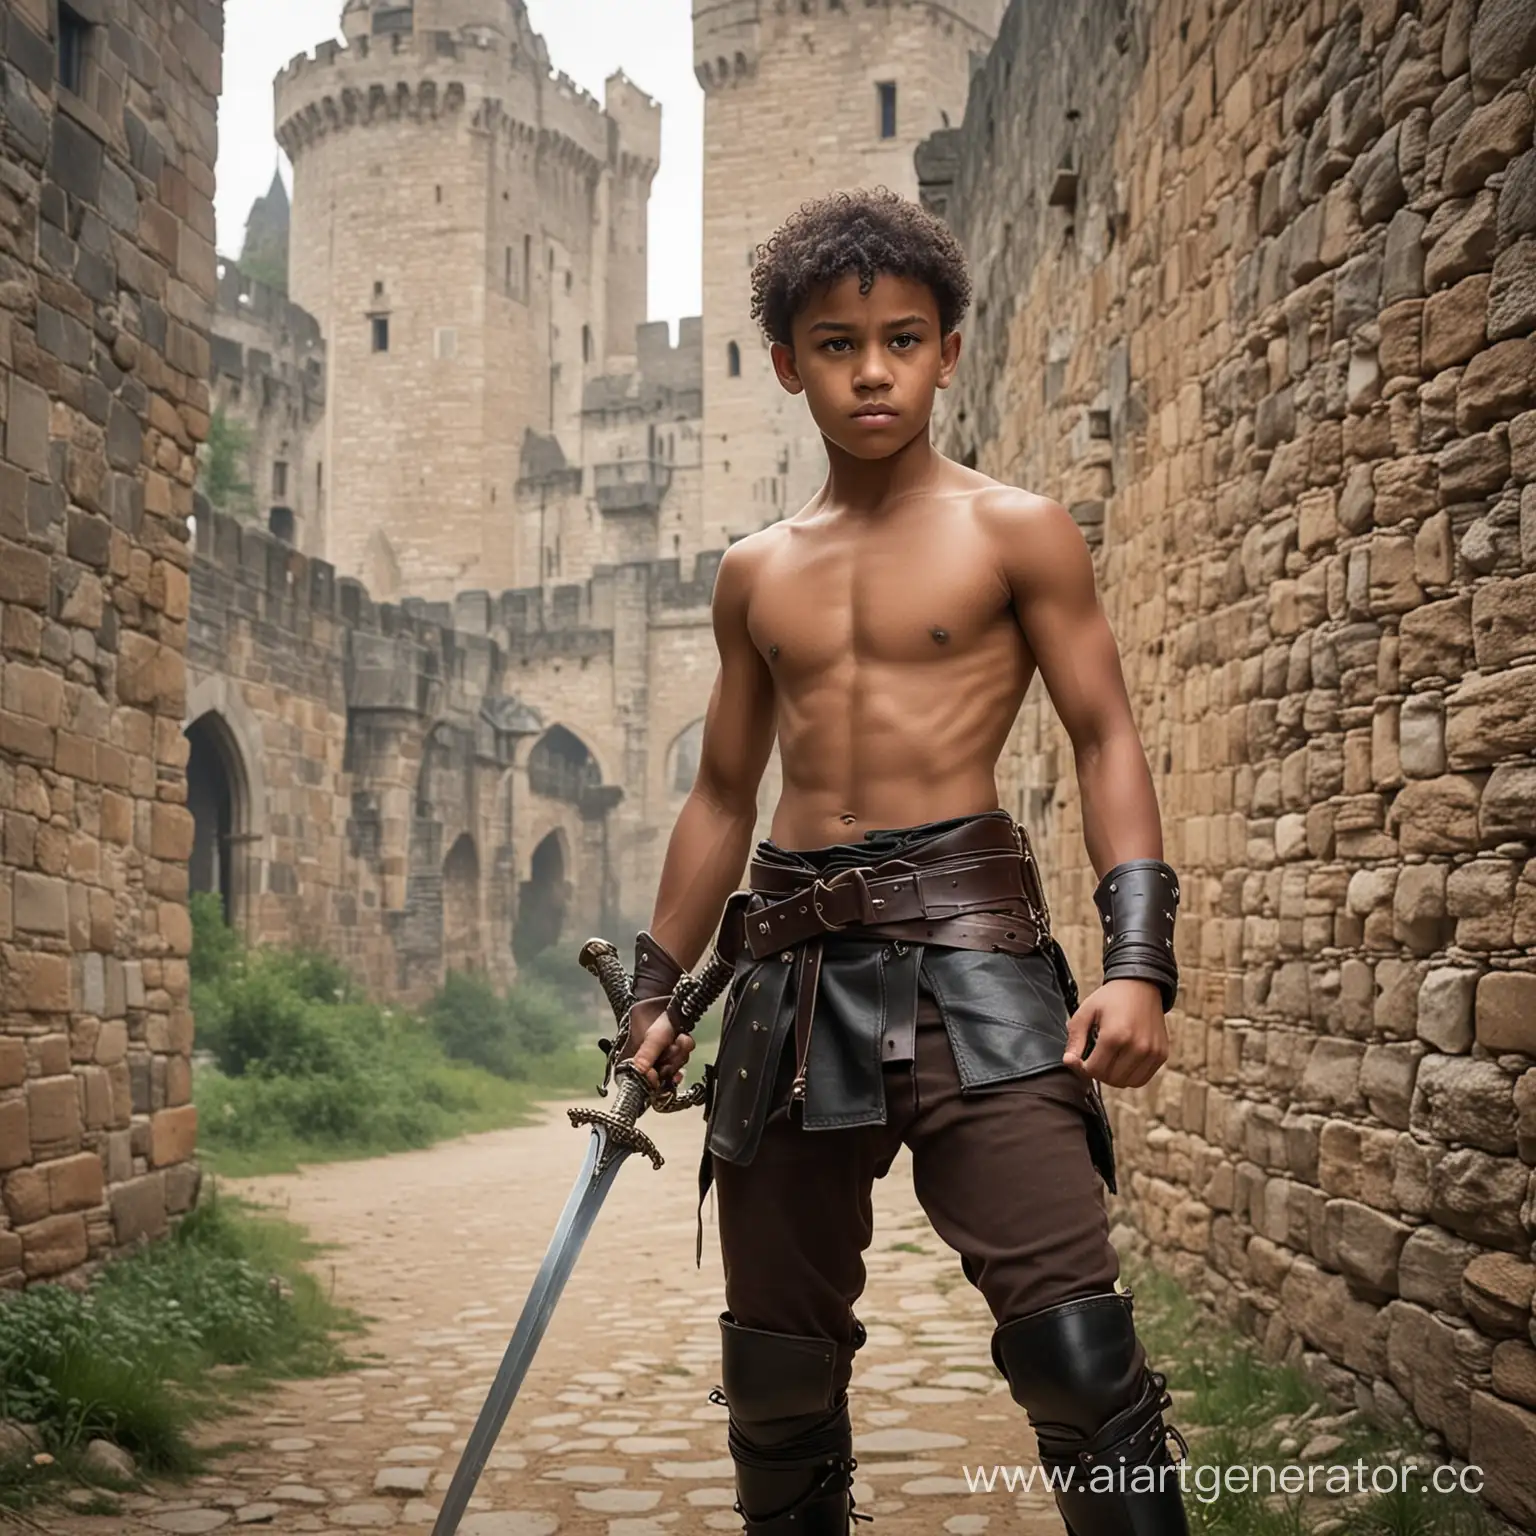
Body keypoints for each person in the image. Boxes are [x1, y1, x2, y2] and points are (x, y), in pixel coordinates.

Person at [620, 188, 1190, 1536]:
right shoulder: (754, 571)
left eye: (901, 338)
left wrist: (1137, 965)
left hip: (974, 963)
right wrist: (651, 991)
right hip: (788, 980)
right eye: (834, 343)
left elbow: (1106, 736)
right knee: (775, 1373)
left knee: (1077, 1354)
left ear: (946, 349)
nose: (871, 370)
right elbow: (719, 793)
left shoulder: (1017, 531)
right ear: (784, 363)